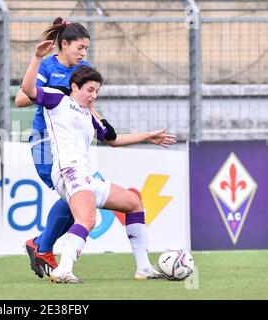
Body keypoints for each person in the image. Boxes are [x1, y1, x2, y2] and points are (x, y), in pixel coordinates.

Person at [21, 40, 176, 283]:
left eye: (96, 91)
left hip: (85, 176)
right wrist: (36, 58)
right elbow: (28, 91)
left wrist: (147, 136)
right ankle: (63, 269)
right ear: (74, 86)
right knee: (87, 219)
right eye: (89, 90)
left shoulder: (88, 115)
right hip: (68, 171)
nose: (93, 96)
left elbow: (113, 139)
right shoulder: (57, 100)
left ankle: (143, 268)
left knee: (134, 202)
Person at [15, 17, 94, 278]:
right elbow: (20, 99)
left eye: (86, 49)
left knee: (80, 198)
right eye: (80, 48)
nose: (84, 54)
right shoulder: (48, 65)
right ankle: (42, 245)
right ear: (64, 44)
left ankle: (41, 245)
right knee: (77, 197)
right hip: (45, 142)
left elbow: (87, 104)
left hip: (72, 143)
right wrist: (55, 90)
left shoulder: (84, 70)